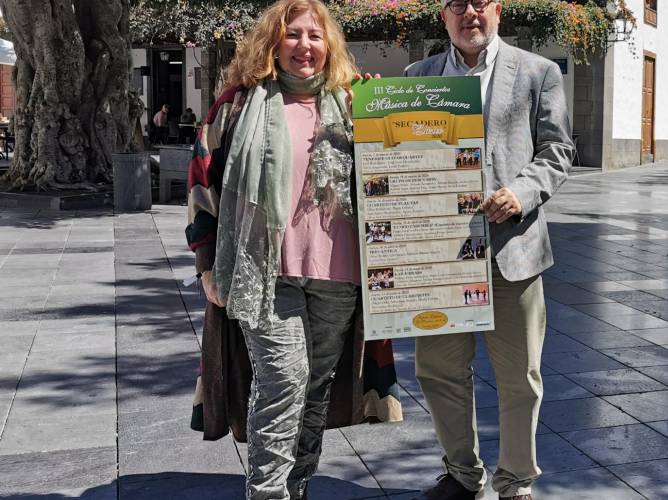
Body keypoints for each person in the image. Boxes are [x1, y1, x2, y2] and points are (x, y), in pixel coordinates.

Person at [185, 1, 403, 498]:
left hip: (339, 275)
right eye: (293, 35)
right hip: (263, 274)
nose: (305, 46)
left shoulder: (354, 103)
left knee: (314, 388)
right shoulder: (239, 106)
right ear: (273, 43)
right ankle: (267, 492)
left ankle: (298, 486)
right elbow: (202, 185)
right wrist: (205, 266)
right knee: (283, 381)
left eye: (316, 36)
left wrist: (387, 103)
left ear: (330, 46)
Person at [405, 0, 573, 498]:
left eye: (480, 2)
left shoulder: (537, 71)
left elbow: (558, 149)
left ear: (497, 10)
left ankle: (517, 481)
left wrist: (520, 193)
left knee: (520, 375)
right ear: (444, 16)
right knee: (438, 370)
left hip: (512, 249)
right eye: (457, 5)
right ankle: (461, 474)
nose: (469, 13)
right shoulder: (418, 75)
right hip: (439, 255)